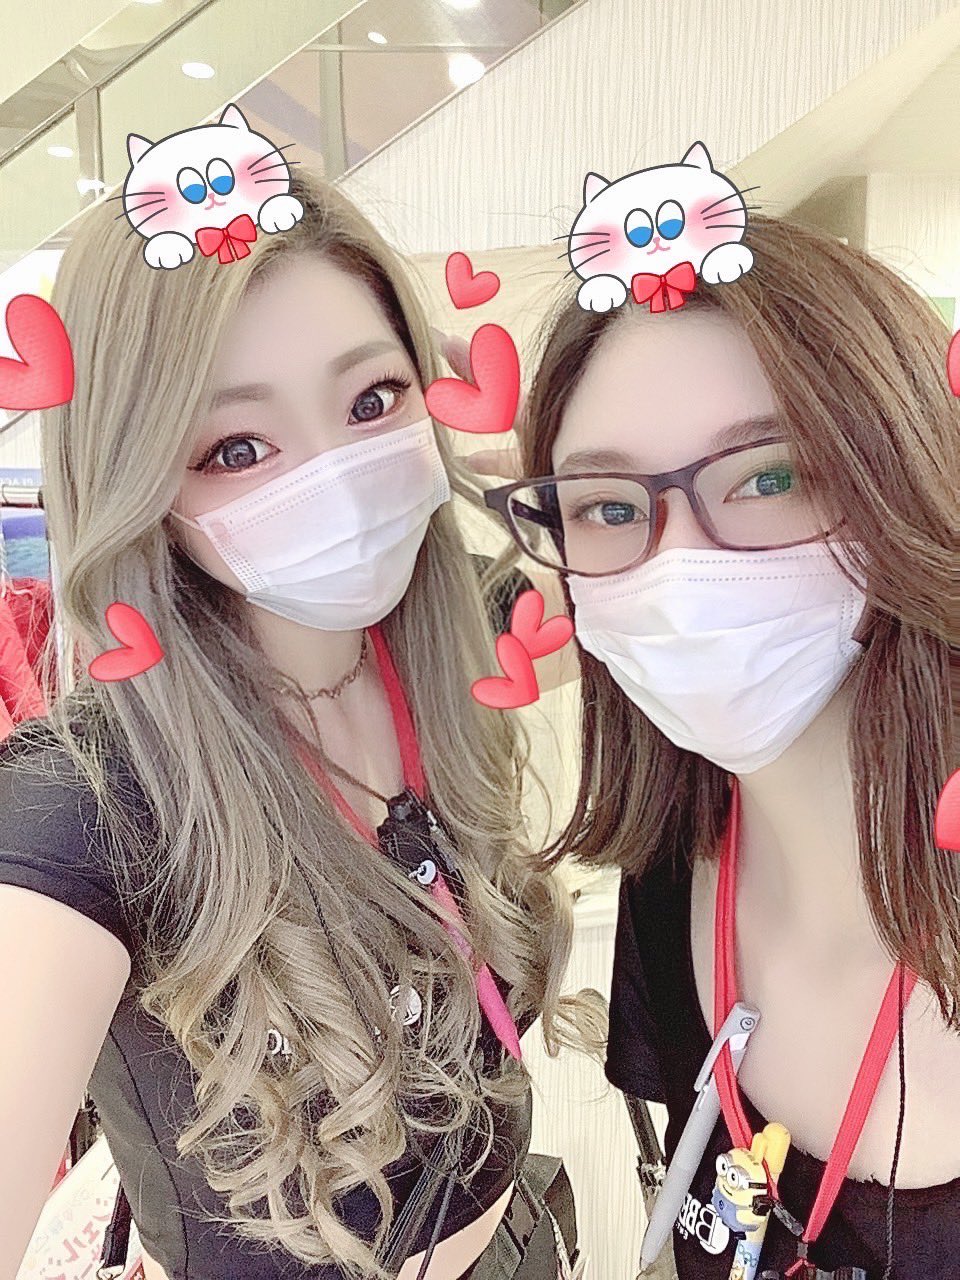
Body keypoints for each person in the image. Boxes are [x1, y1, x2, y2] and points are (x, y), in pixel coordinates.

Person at [0, 170, 600, 1280]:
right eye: (236, 447)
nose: (337, 474)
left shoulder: (457, 639)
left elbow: (644, 583)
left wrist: (560, 460)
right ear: (141, 486)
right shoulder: (82, 806)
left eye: (372, 400)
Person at [483, 214, 958, 1278]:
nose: (679, 568)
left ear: (902, 482)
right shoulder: (671, 877)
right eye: (608, 506)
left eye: (769, 477)